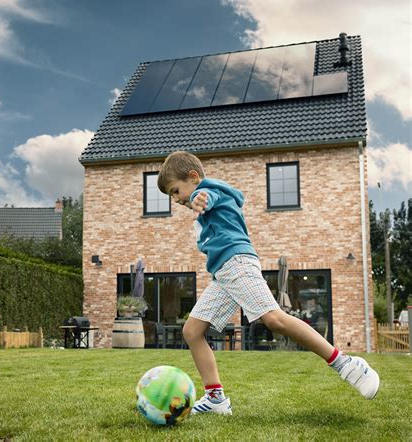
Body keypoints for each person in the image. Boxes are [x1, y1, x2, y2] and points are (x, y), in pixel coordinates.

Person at [157, 151, 380, 415]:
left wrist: (199, 197)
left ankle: (347, 364)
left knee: (274, 319)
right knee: (192, 331)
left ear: (193, 177)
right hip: (223, 274)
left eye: (175, 190)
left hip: (237, 263)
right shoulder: (206, 196)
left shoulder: (210, 191)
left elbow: (206, 195)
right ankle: (215, 398)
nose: (176, 199)